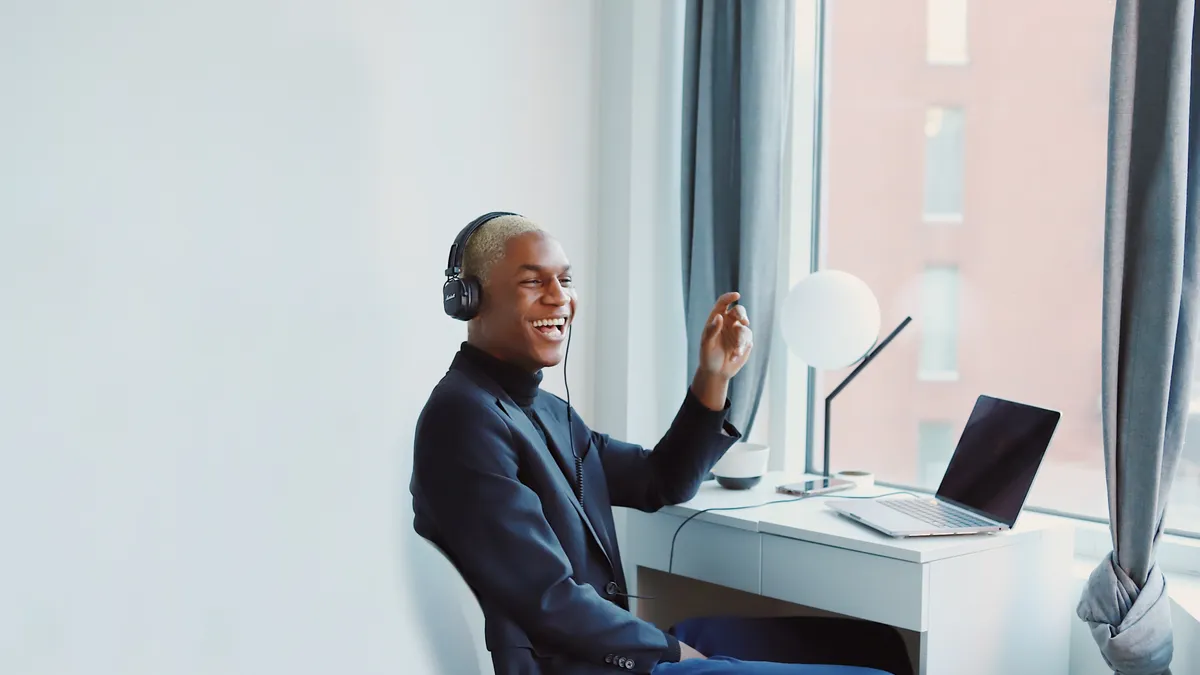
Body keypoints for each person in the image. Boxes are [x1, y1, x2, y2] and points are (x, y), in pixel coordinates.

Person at [411, 212, 894, 675]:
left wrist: (713, 377)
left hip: (605, 647)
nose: (560, 298)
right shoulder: (464, 420)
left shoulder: (544, 410)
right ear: (470, 300)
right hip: (577, 663)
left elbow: (660, 480)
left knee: (878, 644)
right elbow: (548, 600)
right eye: (533, 282)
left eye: (565, 280)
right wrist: (671, 651)